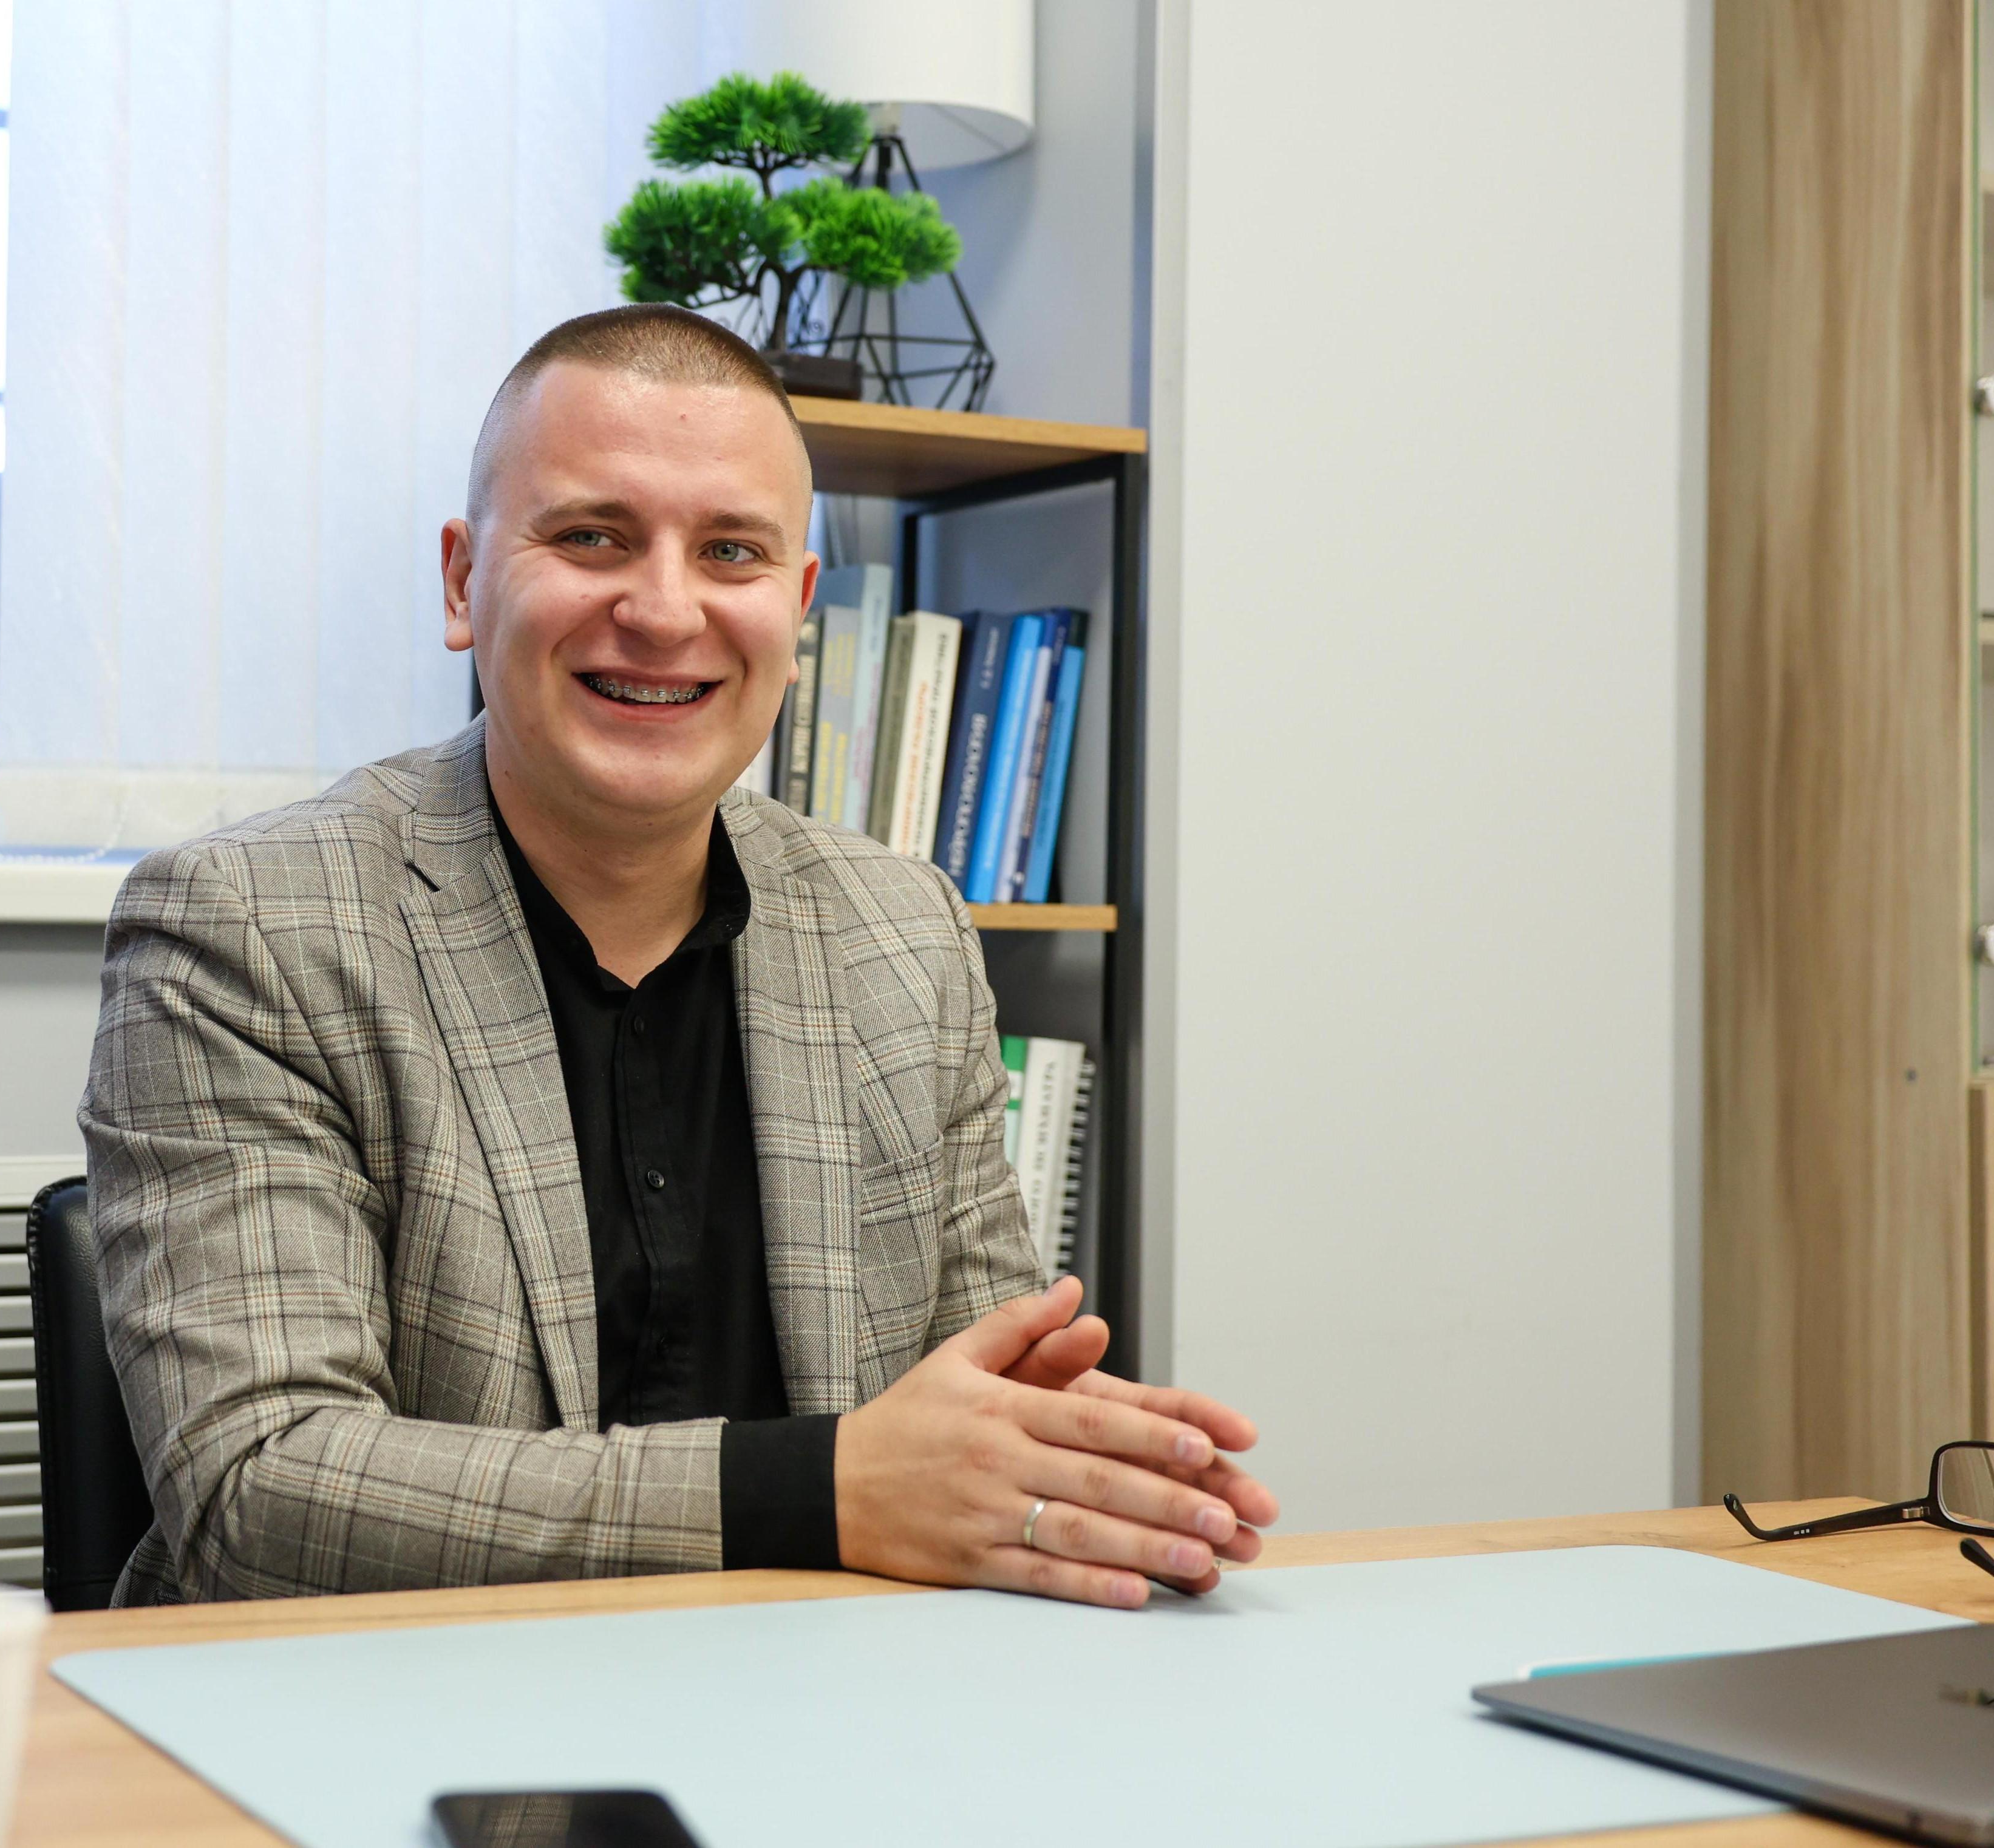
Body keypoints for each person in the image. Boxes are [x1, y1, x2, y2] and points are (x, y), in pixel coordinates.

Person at [84, 303, 1279, 1606]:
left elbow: (980, 1411)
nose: (663, 610)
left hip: (829, 1696)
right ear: (462, 582)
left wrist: (1085, 1475)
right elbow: (259, 1490)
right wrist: (817, 1487)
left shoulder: (905, 932)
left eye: (731, 552)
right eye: (591, 536)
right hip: (385, 1708)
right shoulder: (250, 927)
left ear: (797, 608)